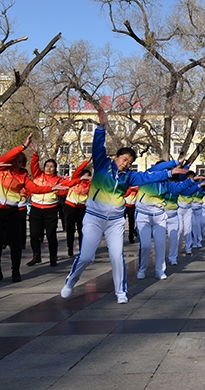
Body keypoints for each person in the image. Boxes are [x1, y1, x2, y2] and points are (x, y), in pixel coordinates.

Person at [60, 108, 188, 303]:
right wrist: (101, 128)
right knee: (86, 256)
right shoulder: (103, 166)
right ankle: (71, 282)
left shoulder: (129, 176)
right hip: (94, 217)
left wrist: (170, 173)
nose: (126, 164)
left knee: (116, 256)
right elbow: (97, 147)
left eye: (130, 162)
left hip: (115, 221)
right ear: (117, 158)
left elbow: (148, 176)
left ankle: (121, 293)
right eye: (124, 159)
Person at [0, 134, 68, 282]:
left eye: (20, 162)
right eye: (15, 161)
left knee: (15, 242)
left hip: (12, 211)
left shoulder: (23, 176)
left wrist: (52, 187)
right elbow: (6, 156)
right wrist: (23, 146)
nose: (17, 164)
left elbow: (35, 188)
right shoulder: (0, 169)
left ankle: (15, 271)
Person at [27, 148, 88, 267]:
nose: (49, 168)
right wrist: (36, 154)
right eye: (47, 166)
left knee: (51, 235)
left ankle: (53, 257)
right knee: (34, 235)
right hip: (36, 209)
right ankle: (36, 256)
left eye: (52, 166)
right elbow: (34, 165)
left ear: (55, 168)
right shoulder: (38, 175)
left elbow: (70, 182)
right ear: (44, 167)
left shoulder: (58, 180)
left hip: (51, 210)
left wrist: (80, 178)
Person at [63, 167, 93, 257]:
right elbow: (76, 172)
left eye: (88, 177)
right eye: (84, 176)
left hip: (82, 208)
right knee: (70, 229)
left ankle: (82, 248)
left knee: (82, 229)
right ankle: (70, 248)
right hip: (70, 207)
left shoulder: (90, 185)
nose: (86, 178)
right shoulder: (75, 181)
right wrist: (86, 162)